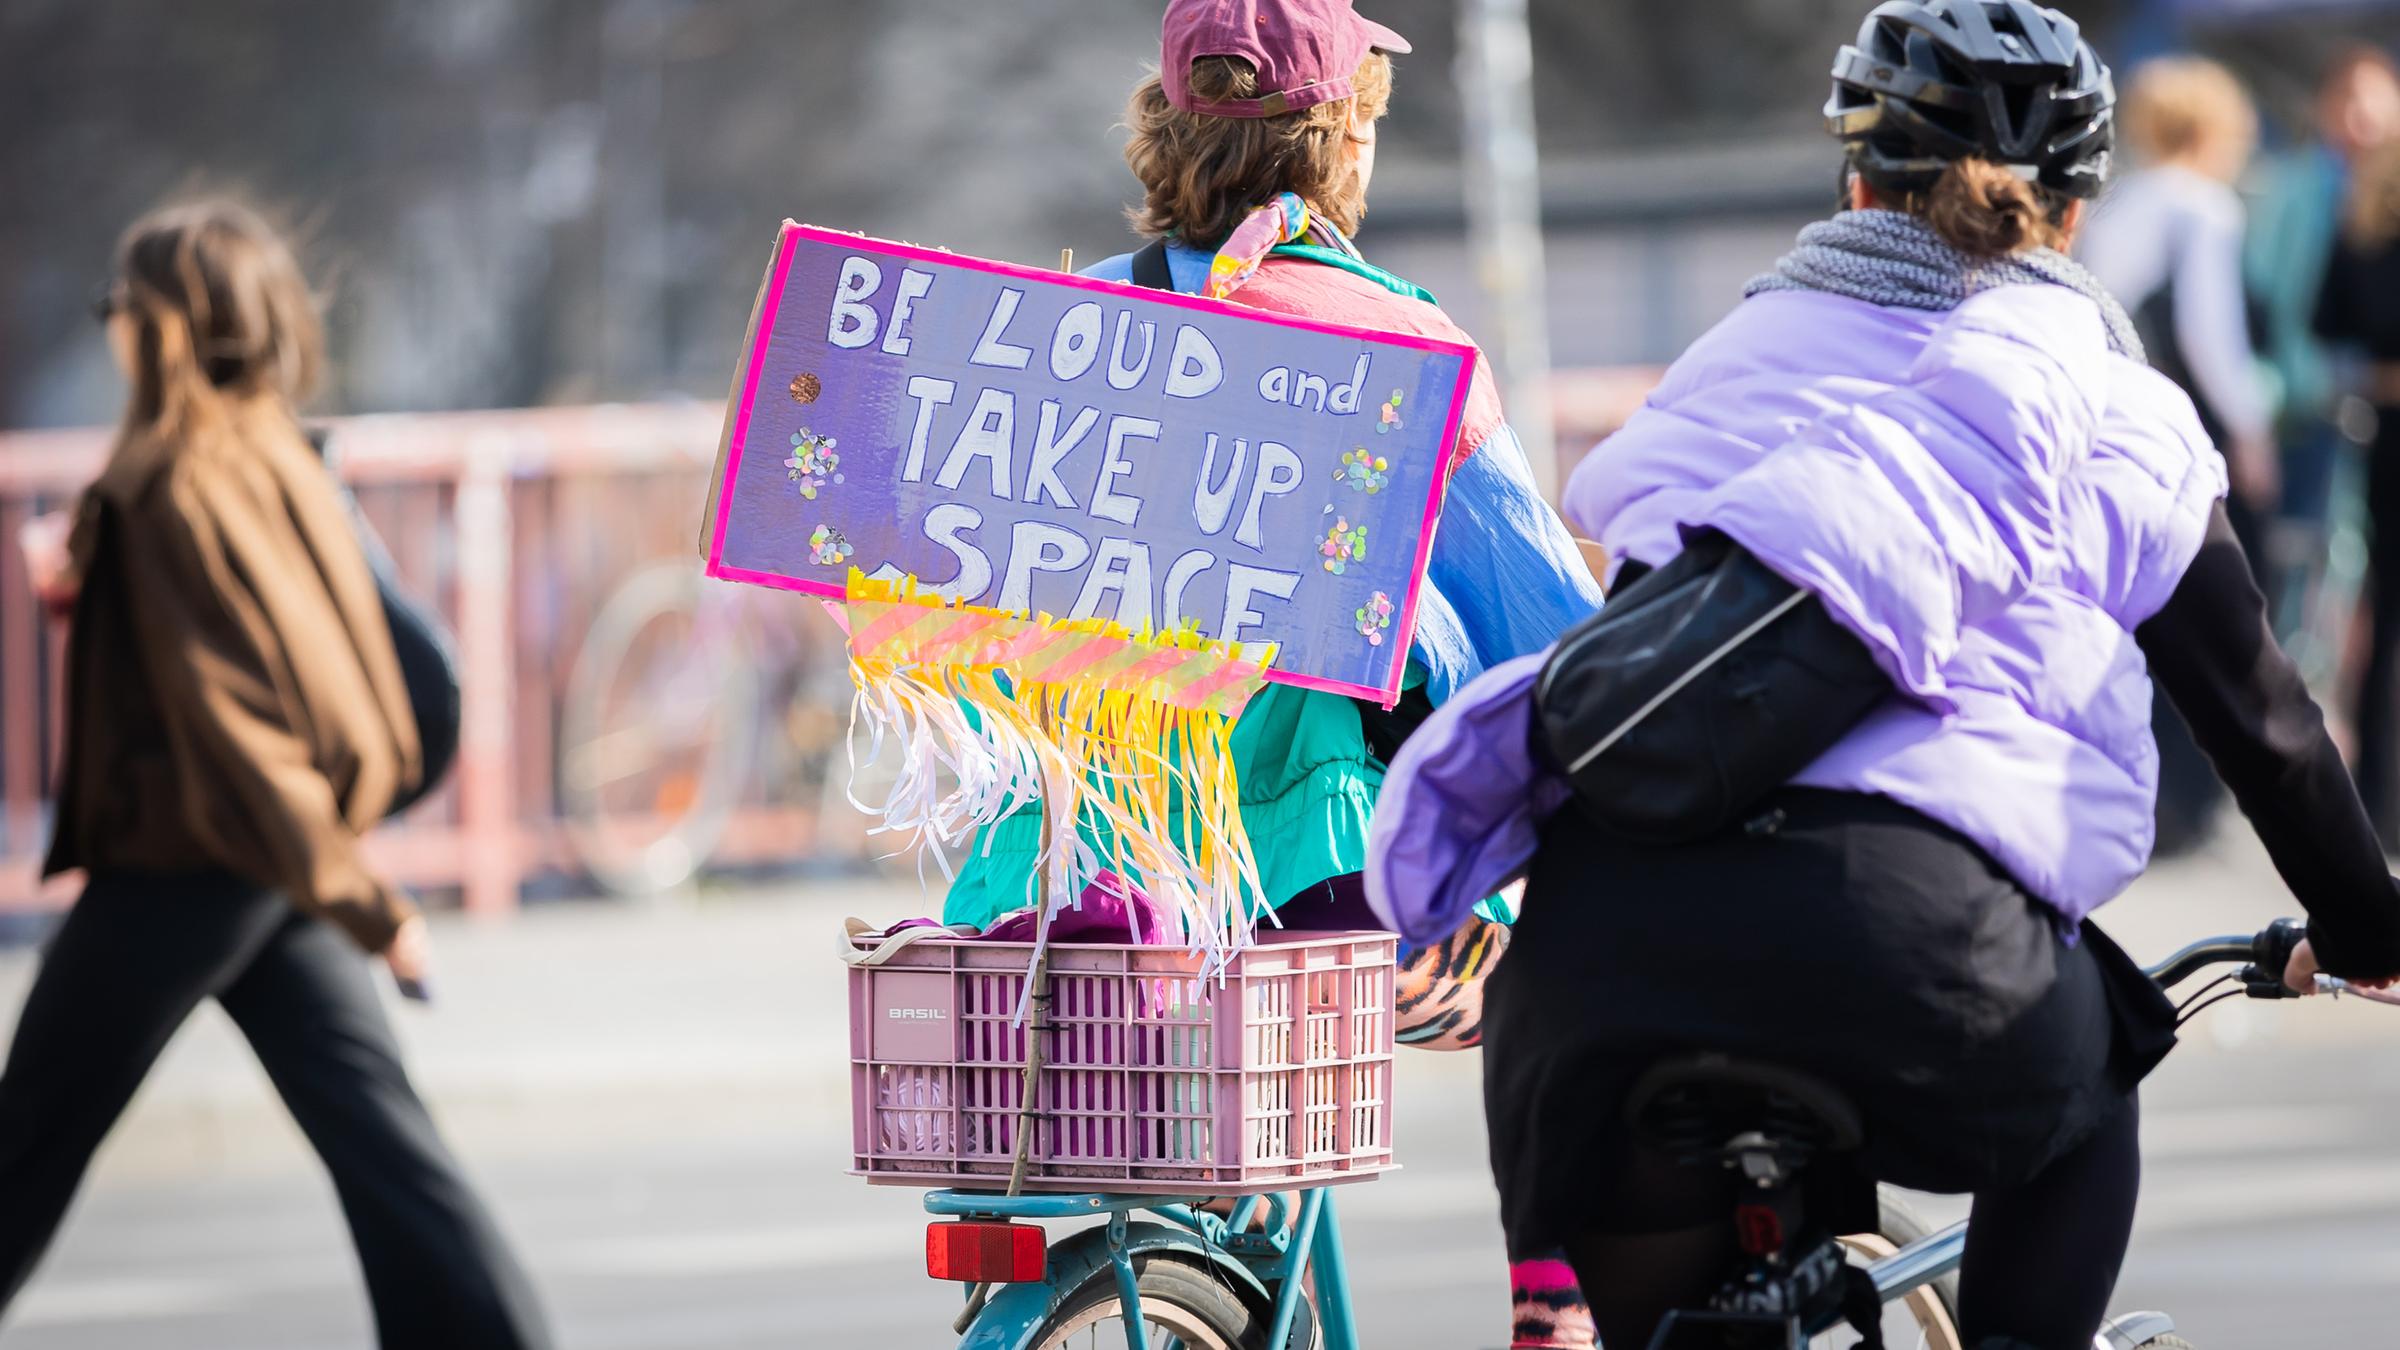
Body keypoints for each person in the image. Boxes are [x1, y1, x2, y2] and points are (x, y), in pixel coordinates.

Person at [1365, 5, 2400, 1348]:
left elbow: (1642, 670)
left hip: (1600, 970)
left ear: (1856, 180)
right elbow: (2267, 726)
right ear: (2076, 213)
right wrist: (2369, 926)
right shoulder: (2122, 414)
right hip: (1924, 953)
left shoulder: (1722, 366)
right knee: (2095, 1079)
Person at [935, 2, 1607, 1344]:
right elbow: (1553, 633)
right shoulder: (1394, 346)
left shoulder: (1075, 336)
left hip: (1062, 900)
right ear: (1338, 142)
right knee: (1584, 957)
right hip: (1327, 895)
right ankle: (1555, 1301)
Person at [0, 200, 552, 1349]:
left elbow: (244, 731)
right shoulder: (278, 456)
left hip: (195, 860)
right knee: (374, 1129)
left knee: (29, 1134)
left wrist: (373, 909)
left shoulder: (168, 484)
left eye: (119, 308)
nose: (108, 329)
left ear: (161, 328)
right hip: (266, 856)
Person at [2078, 56, 2271, 855]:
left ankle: (2153, 800)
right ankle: (2196, 805)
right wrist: (2254, 429)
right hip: (2186, 435)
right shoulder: (2204, 209)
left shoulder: (2118, 208)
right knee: (2218, 617)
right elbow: (2211, 337)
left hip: (2111, 429)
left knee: (2138, 617)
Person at [2319, 141, 2400, 853]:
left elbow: (2328, 324)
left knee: (2385, 627)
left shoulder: (2363, 232)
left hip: (2386, 438)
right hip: (2388, 441)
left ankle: (2378, 796)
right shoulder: (2366, 233)